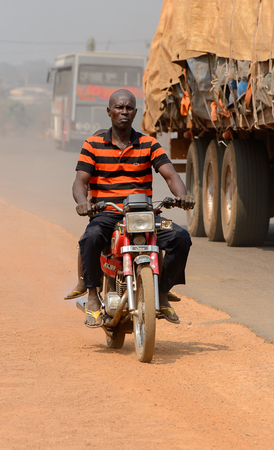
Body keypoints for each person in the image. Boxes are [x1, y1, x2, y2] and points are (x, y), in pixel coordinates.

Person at [72, 89, 194, 328]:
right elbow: (80, 181)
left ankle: (161, 290)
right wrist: (82, 202)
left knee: (181, 238)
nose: (124, 112)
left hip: (144, 214)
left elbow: (170, 175)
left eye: (129, 108)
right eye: (119, 107)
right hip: (107, 213)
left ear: (135, 113)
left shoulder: (148, 143)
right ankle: (93, 297)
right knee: (90, 238)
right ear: (109, 111)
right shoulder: (93, 144)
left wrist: (183, 196)